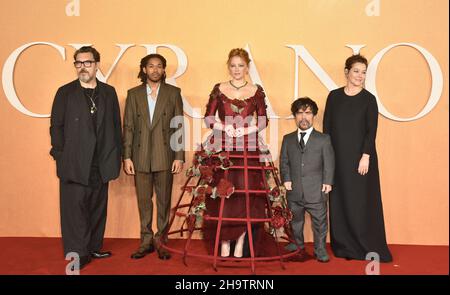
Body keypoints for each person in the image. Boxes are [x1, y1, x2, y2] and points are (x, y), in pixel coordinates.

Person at [50, 46, 122, 269]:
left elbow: (115, 127)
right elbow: (56, 127)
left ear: (97, 64)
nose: (82, 67)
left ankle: (93, 247)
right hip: (74, 162)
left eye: (87, 63)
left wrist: (116, 156)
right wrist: (61, 155)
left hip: (102, 161)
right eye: (78, 63)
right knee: (74, 209)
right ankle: (77, 253)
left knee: (97, 207)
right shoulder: (65, 92)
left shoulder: (108, 92)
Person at [199, 48, 274, 258]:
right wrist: (224, 127)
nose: (236, 69)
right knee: (222, 193)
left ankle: (240, 242)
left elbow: (263, 120)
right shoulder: (219, 88)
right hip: (223, 146)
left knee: (244, 194)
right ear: (228, 67)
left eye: (241, 65)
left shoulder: (256, 90)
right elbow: (208, 117)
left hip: (247, 147)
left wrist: (247, 129)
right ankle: (224, 242)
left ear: (247, 68)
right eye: (233, 65)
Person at [323, 54, 393, 262]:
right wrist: (328, 158)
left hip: (361, 159)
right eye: (356, 71)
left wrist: (366, 156)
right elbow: (327, 128)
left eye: (363, 72)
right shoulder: (334, 96)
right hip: (338, 158)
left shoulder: (369, 99)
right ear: (346, 72)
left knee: (361, 202)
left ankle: (365, 244)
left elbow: (371, 131)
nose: (360, 76)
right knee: (340, 200)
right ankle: (344, 245)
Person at [123, 53, 185, 260]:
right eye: (151, 66)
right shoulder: (133, 94)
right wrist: (127, 156)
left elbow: (178, 125)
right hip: (139, 156)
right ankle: (146, 241)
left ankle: (161, 241)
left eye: (159, 66)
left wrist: (179, 156)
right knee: (143, 201)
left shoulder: (173, 93)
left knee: (164, 201)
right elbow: (129, 127)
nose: (155, 70)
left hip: (165, 155)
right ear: (144, 70)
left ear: (164, 70)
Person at [280, 97, 335, 262]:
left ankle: (320, 250)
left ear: (314, 116)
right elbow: (284, 161)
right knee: (295, 221)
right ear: (295, 116)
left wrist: (328, 182)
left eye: (308, 113)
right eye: (300, 113)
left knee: (320, 223)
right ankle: (297, 244)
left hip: (316, 190)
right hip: (294, 190)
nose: (304, 117)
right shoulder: (288, 139)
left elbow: (329, 162)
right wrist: (286, 178)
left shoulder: (323, 139)